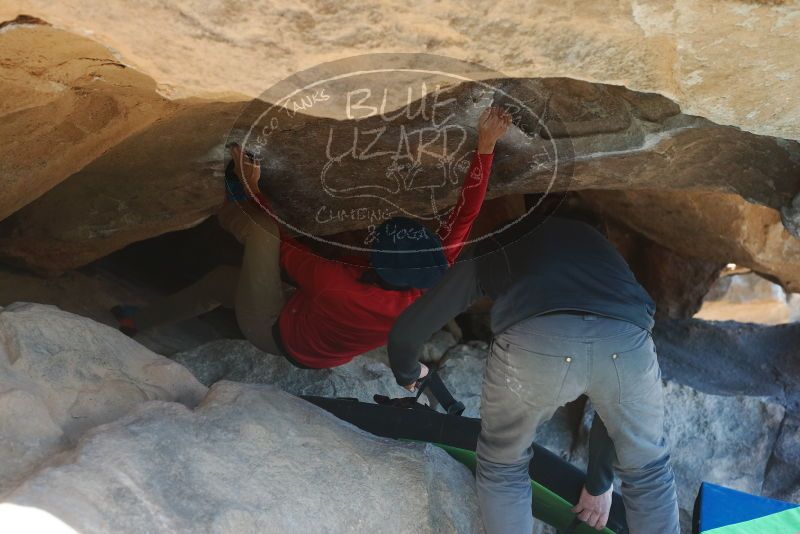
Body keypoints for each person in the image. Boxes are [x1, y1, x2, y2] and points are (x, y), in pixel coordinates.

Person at [112, 106, 512, 369]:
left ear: (376, 263)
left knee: (258, 235)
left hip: (277, 333)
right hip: (317, 329)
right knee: (220, 282)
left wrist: (252, 189)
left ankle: (228, 202)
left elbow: (282, 240)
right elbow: (467, 212)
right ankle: (138, 319)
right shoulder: (431, 274)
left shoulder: (338, 284)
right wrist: (486, 145)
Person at [386, 213, 681, 533]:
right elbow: (614, 415)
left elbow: (405, 334)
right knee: (649, 475)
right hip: (628, 340)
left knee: (503, 468)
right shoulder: (600, 251)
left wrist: (408, 371)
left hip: (536, 339)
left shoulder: (497, 243)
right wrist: (598, 484)